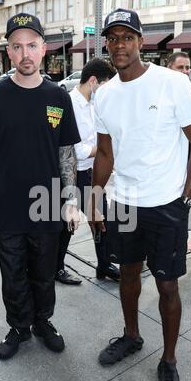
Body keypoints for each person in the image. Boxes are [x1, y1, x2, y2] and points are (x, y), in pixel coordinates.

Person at [89, 8, 191, 381]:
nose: (120, 44)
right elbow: (105, 153)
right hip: (124, 202)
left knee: (168, 284)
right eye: (113, 38)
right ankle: (131, 335)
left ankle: (169, 361)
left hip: (166, 205)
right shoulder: (104, 94)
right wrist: (94, 197)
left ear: (141, 41)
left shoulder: (171, 84)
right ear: (106, 44)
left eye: (127, 37)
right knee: (126, 275)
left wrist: (187, 197)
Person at [0, 13, 81, 360]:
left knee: (44, 273)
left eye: (32, 45)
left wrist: (70, 201)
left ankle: (42, 322)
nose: (25, 53)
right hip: (4, 208)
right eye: (17, 47)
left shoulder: (58, 98)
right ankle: (19, 326)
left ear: (44, 49)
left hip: (48, 204)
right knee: (13, 275)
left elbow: (66, 154)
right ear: (8, 52)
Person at [56, 58, 120, 285]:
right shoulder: (69, 103)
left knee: (102, 218)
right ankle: (57, 268)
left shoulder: (96, 104)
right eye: (105, 85)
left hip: (93, 173)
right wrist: (102, 151)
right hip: (72, 175)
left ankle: (104, 265)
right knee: (67, 226)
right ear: (93, 81)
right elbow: (75, 149)